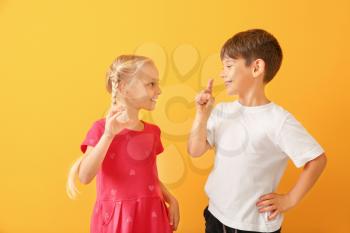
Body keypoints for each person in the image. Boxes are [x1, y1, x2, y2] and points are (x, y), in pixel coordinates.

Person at [188, 29, 327, 233]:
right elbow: (195, 150)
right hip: (215, 215)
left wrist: (290, 199)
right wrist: (201, 114)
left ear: (256, 68)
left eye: (228, 65)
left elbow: (317, 159)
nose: (222, 73)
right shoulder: (222, 111)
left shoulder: (278, 120)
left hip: (253, 226)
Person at [67, 55, 180, 233]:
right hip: (117, 221)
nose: (159, 90)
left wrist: (170, 198)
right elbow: (85, 176)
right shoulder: (100, 130)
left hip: (151, 216)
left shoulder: (152, 132)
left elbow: (146, 178)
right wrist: (108, 135)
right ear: (124, 88)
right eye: (151, 84)